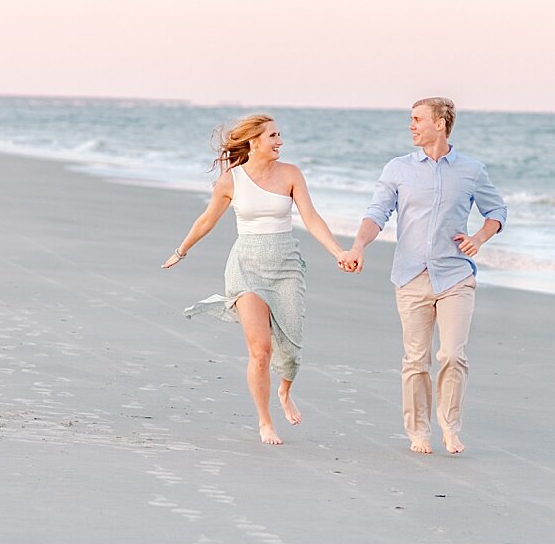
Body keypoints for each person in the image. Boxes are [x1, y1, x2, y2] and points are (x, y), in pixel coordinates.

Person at [162, 113, 352, 445]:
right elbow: (207, 220)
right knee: (260, 350)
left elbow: (311, 217)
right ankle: (265, 421)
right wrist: (182, 250)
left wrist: (338, 251)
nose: (279, 141)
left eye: (279, 135)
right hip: (246, 266)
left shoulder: (291, 174)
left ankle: (285, 391)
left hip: (285, 266)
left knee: (291, 351)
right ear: (254, 141)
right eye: (273, 136)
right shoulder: (231, 181)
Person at [340, 97, 507, 455]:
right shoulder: (397, 169)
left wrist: (479, 237)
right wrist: (358, 246)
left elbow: (496, 210)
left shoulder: (471, 170)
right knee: (416, 360)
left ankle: (450, 427)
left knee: (452, 355)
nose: (411, 126)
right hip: (411, 275)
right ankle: (418, 431)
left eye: (417, 120)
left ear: (440, 124)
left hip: (455, 276)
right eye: (411, 120)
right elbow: (376, 214)